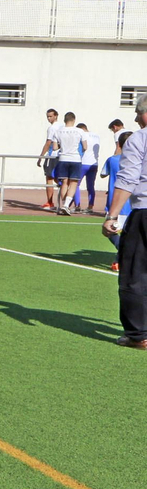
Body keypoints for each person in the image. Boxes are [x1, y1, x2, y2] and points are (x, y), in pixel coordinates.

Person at [105, 100, 147, 346]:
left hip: (144, 211)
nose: (136, 119)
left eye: (138, 114)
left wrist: (112, 215)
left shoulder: (139, 139)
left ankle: (138, 335)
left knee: (134, 274)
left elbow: (128, 178)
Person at [103, 129, 135, 274]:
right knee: (128, 234)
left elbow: (103, 174)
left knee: (110, 231)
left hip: (115, 203)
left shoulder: (112, 160)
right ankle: (120, 258)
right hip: (133, 204)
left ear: (120, 144)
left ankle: (120, 257)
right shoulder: (137, 161)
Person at [53, 112, 86, 216]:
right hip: (75, 159)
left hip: (63, 158)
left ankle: (64, 205)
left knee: (64, 182)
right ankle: (66, 205)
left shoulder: (58, 131)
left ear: (64, 120)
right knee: (73, 183)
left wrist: (62, 146)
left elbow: (54, 148)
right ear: (74, 120)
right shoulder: (80, 131)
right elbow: (85, 147)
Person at [39, 108, 61, 210]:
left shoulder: (52, 128)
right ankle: (67, 196)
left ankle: (50, 203)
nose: (49, 118)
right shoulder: (63, 126)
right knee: (58, 178)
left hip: (52, 155)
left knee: (49, 178)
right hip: (61, 155)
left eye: (50, 116)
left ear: (56, 116)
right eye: (47, 116)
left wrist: (41, 156)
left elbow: (48, 143)